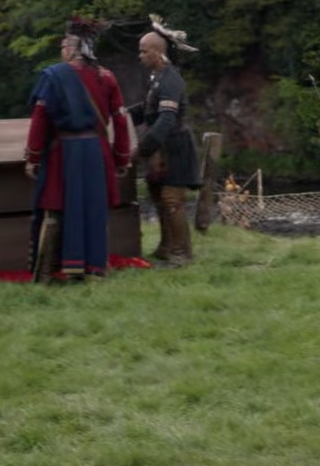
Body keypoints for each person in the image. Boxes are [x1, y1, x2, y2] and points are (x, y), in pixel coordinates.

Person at [24, 17, 131, 283]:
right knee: (95, 209)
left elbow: (40, 117)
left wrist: (33, 156)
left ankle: (49, 270)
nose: (62, 51)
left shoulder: (54, 76)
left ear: (73, 48)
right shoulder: (107, 77)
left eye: (63, 45)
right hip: (96, 151)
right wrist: (121, 157)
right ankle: (94, 268)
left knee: (55, 208)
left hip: (64, 152)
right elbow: (120, 119)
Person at [130, 16, 201, 268]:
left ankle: (182, 253)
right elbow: (147, 109)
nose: (140, 56)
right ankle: (166, 246)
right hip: (160, 150)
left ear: (158, 52)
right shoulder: (157, 78)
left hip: (175, 149)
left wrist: (142, 148)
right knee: (158, 198)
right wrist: (121, 116)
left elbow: (166, 119)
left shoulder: (171, 79)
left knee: (172, 201)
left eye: (144, 51)